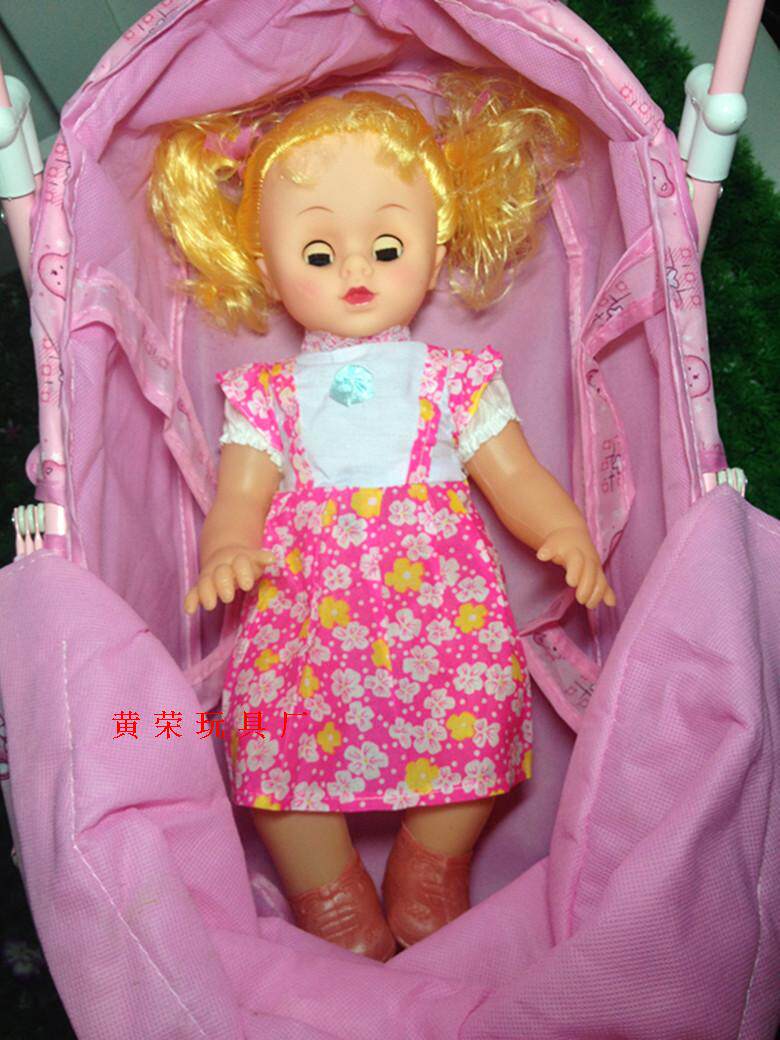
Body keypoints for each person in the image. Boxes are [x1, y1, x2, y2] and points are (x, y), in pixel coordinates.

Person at [149, 71, 615, 962]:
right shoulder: (268, 394)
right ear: (268, 265)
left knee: (481, 712)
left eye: (387, 247)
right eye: (320, 254)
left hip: (441, 614)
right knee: (271, 741)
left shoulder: (455, 380)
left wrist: (561, 530)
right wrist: (228, 548)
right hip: (306, 614)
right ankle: (327, 892)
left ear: (432, 255)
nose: (356, 270)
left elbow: (514, 474)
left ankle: (430, 864)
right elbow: (240, 493)